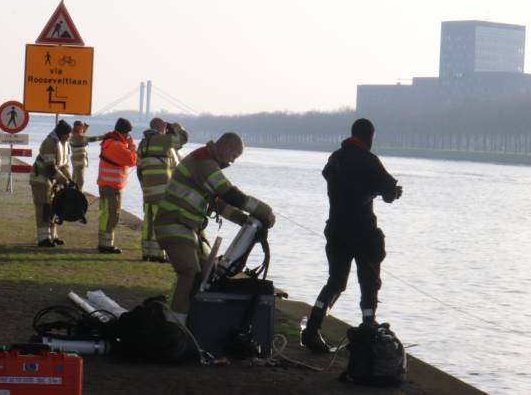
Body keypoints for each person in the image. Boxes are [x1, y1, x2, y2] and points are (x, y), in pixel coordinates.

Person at [301, 118, 403, 353]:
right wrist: (392, 192)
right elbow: (389, 192)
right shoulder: (369, 160)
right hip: (363, 231)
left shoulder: (335, 158)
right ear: (370, 136)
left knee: (335, 282)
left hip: (336, 228)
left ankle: (312, 328)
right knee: (369, 282)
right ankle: (368, 327)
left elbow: (340, 183)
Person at [154, 133, 276, 324]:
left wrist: (243, 220)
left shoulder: (206, 162)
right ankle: (175, 326)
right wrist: (265, 211)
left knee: (206, 273)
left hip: (186, 227)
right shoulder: (204, 161)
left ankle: (183, 316)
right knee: (189, 272)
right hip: (174, 224)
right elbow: (230, 194)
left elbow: (218, 204)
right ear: (225, 146)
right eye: (233, 156)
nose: (232, 161)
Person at [137, 118, 189, 262]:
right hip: (162, 191)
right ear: (163, 127)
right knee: (161, 222)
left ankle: (147, 252)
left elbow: (139, 168)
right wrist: (176, 126)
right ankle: (158, 254)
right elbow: (183, 138)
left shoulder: (142, 144)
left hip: (147, 191)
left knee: (148, 222)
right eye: (166, 127)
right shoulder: (162, 140)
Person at [30, 120, 74, 247]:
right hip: (41, 180)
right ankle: (43, 238)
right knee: (44, 208)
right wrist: (64, 181)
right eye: (68, 133)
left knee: (54, 207)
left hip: (52, 181)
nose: (69, 136)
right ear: (62, 133)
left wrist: (70, 181)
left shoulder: (63, 143)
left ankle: (53, 236)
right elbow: (51, 167)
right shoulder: (49, 142)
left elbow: (64, 165)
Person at [96, 118, 137, 254]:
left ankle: (104, 243)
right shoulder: (117, 145)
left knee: (106, 214)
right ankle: (106, 245)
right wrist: (132, 146)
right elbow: (132, 160)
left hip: (108, 185)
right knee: (112, 215)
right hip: (111, 186)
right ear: (125, 132)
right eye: (128, 134)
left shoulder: (109, 142)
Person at [70, 120, 103, 191]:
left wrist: (83, 130)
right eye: (81, 127)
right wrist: (105, 136)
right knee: (80, 181)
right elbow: (93, 139)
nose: (82, 128)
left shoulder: (72, 135)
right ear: (78, 127)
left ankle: (71, 192)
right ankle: (78, 195)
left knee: (74, 178)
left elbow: (80, 136)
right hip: (80, 162)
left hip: (75, 161)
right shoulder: (80, 137)